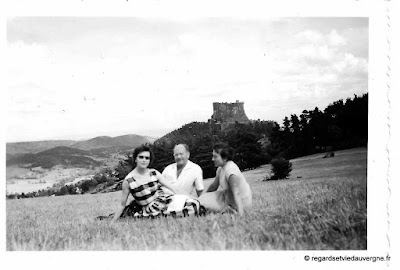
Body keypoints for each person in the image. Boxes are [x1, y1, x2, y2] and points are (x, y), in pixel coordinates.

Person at [107, 145, 203, 221]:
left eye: (147, 158)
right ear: (135, 159)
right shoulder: (128, 181)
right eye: (141, 157)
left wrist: (195, 198)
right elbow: (122, 205)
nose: (144, 160)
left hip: (164, 200)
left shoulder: (154, 172)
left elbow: (173, 188)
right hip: (149, 209)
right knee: (186, 211)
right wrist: (113, 221)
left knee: (193, 204)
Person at [198, 142, 252, 216]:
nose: (212, 159)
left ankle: (230, 210)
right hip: (227, 198)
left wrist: (241, 214)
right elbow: (214, 186)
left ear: (225, 158)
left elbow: (237, 193)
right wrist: (203, 197)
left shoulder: (231, 171)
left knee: (205, 204)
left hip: (241, 203)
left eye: (215, 157)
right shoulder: (220, 169)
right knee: (202, 200)